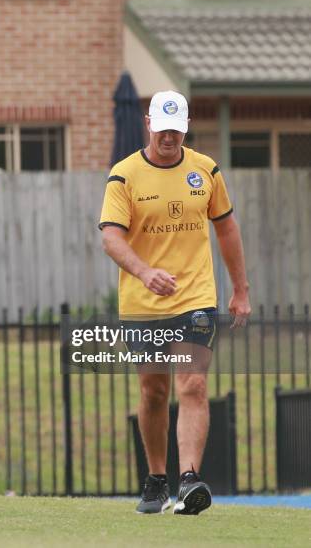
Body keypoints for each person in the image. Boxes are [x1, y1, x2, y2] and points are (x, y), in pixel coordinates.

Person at [99, 90, 250, 515]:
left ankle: (188, 479)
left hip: (195, 298)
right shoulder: (124, 175)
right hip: (143, 304)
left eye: (177, 129)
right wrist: (146, 273)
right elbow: (111, 238)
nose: (169, 137)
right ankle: (157, 478)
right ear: (148, 123)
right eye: (163, 128)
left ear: (185, 126)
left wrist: (241, 289)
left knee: (194, 384)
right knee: (152, 391)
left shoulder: (205, 170)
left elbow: (227, 230)